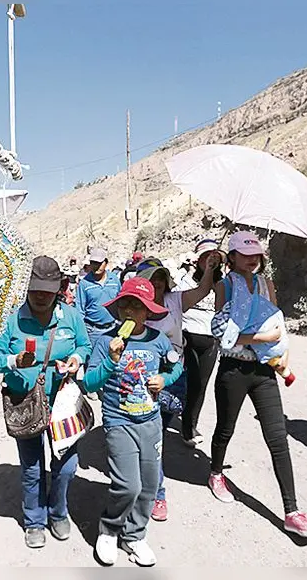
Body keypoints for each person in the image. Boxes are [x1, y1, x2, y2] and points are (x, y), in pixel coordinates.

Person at [207, 231, 307, 539]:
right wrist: (260, 338)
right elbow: (222, 335)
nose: (252, 257)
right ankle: (216, 473)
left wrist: (279, 351)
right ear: (231, 256)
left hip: (263, 370)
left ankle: (292, 511)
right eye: (245, 253)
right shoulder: (225, 286)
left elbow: (274, 325)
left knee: (277, 437)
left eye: (255, 252)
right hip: (233, 368)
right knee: (225, 428)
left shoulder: (266, 285)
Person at [0, 256, 93, 547]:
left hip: (62, 406)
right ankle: (34, 520)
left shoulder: (70, 317)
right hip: (25, 405)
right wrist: (14, 360)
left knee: (66, 467)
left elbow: (85, 344)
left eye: (48, 289)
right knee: (31, 467)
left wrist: (76, 359)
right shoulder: (13, 321)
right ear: (27, 289)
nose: (42, 296)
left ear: (58, 288)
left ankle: (59, 512)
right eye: (36, 289)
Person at [82, 277, 181, 567]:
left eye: (137, 306)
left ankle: (135, 535)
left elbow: (176, 366)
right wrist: (112, 360)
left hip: (150, 421)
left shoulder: (158, 340)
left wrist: (165, 379)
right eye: (125, 303)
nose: (129, 310)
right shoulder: (105, 341)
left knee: (149, 485)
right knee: (128, 485)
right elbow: (89, 383)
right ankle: (110, 529)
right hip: (119, 420)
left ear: (148, 312)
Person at [136, 255, 220, 522]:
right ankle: (149, 488)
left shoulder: (175, 301)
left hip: (171, 378)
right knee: (146, 436)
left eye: (160, 279)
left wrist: (208, 269)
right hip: (141, 379)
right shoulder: (134, 305)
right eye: (151, 280)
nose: (156, 284)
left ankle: (153, 486)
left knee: (156, 436)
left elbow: (203, 291)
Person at [178, 239, 225, 447]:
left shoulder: (224, 284)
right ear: (198, 260)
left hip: (210, 340)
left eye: (214, 257)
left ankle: (190, 425)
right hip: (187, 337)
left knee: (200, 386)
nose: (210, 261)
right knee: (185, 382)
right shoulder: (185, 281)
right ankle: (173, 418)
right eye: (206, 257)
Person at [75, 247, 122, 341]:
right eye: (93, 263)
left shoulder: (114, 280)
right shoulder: (84, 284)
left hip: (113, 329)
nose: (96, 266)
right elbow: (80, 309)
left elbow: (120, 300)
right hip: (92, 331)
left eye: (99, 263)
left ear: (106, 263)